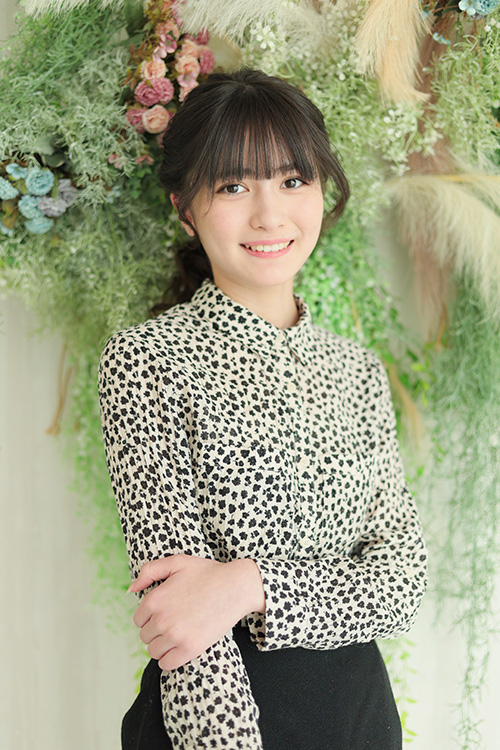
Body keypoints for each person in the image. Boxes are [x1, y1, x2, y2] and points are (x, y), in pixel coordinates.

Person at [97, 68, 428, 750]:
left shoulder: (357, 371)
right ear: (184, 208)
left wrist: (249, 585)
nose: (270, 215)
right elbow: (185, 627)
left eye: (293, 179)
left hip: (361, 718)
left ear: (321, 189)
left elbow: (402, 583)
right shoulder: (146, 360)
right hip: (221, 719)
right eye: (232, 186)